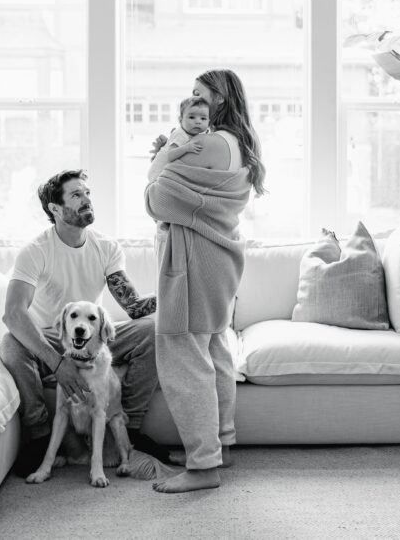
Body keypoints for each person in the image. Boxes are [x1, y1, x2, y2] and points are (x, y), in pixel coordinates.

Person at [0, 169, 169, 477]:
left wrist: (174, 293)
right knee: (11, 343)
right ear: (55, 208)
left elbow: (132, 306)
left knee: (151, 331)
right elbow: (13, 314)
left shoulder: (106, 247)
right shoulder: (36, 251)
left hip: (93, 336)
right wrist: (57, 362)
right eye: (76, 195)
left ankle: (128, 426)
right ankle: (38, 434)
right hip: (50, 337)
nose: (86, 200)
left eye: (87, 193)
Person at [145, 68, 266, 493]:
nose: (193, 100)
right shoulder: (235, 143)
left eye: (200, 93)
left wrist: (164, 158)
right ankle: (219, 447)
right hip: (219, 263)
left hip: (195, 264)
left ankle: (202, 467)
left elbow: (158, 197)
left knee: (182, 355)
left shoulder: (210, 142)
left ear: (220, 98)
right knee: (213, 349)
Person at [147, 96, 211, 182]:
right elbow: (170, 155)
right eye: (192, 117)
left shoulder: (195, 134)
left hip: (167, 175)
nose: (198, 121)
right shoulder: (180, 134)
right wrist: (187, 148)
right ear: (180, 120)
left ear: (209, 122)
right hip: (158, 175)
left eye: (203, 118)